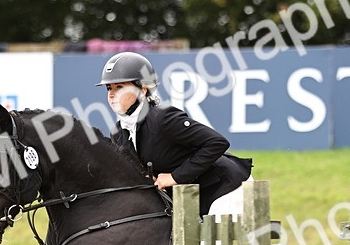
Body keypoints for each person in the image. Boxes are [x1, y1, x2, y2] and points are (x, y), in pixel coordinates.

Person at [98, 51, 253, 218]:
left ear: (142, 90)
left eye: (119, 87)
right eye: (109, 88)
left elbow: (217, 143)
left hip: (227, 187)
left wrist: (174, 177)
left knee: (215, 244)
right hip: (192, 197)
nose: (112, 94)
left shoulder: (163, 118)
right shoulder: (118, 133)